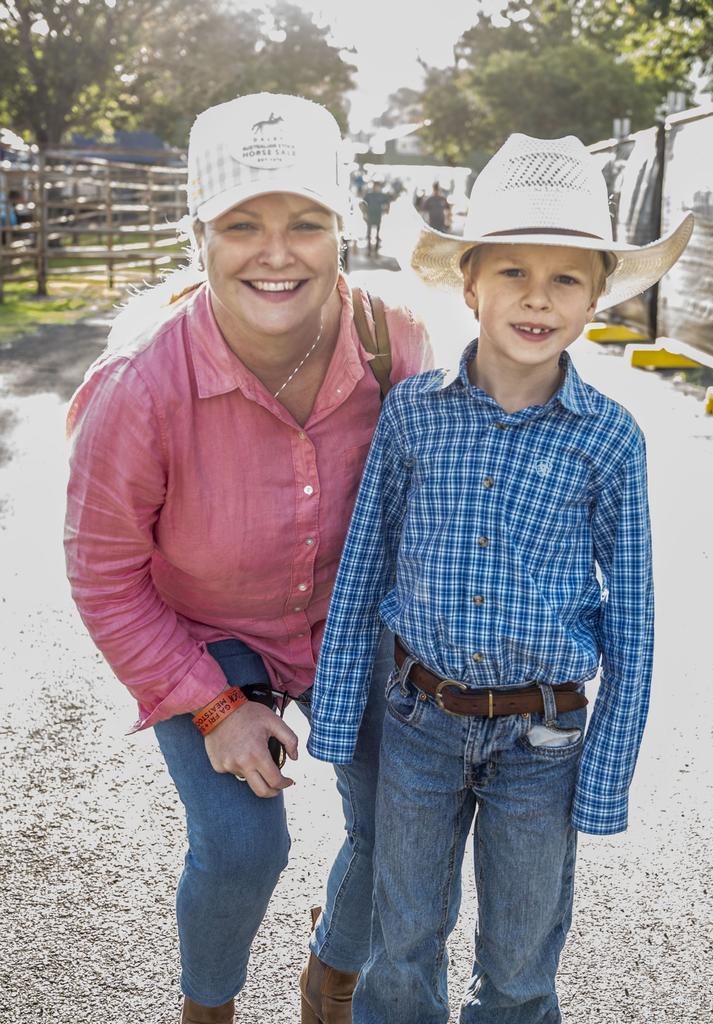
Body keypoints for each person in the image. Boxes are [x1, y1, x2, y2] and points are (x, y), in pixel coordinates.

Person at [64, 92, 431, 1024]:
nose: (277, 252)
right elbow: (103, 574)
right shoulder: (141, 386)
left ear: (342, 231)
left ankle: (330, 975)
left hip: (354, 620)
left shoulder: (397, 344)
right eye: (242, 225)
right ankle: (208, 1008)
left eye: (305, 222)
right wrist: (218, 706)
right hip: (206, 632)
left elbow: (448, 496)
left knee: (407, 824)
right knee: (240, 844)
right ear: (200, 237)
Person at [309, 133, 693, 1022]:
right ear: (470, 283)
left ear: (597, 298)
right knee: (401, 947)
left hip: (544, 740)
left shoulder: (607, 439)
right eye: (513, 272)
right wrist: (336, 715)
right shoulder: (413, 413)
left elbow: (631, 619)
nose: (536, 297)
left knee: (521, 965)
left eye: (565, 279)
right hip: (417, 720)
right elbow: (366, 563)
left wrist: (606, 776)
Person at [361, 180, 389, 255]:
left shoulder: (382, 196)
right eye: (375, 186)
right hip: (370, 214)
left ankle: (376, 248)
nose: (376, 188)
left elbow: (386, 203)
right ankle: (369, 248)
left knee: (377, 232)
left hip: (378, 215)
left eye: (378, 187)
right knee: (369, 232)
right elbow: (363, 203)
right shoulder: (369, 195)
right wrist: (364, 213)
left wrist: (386, 210)